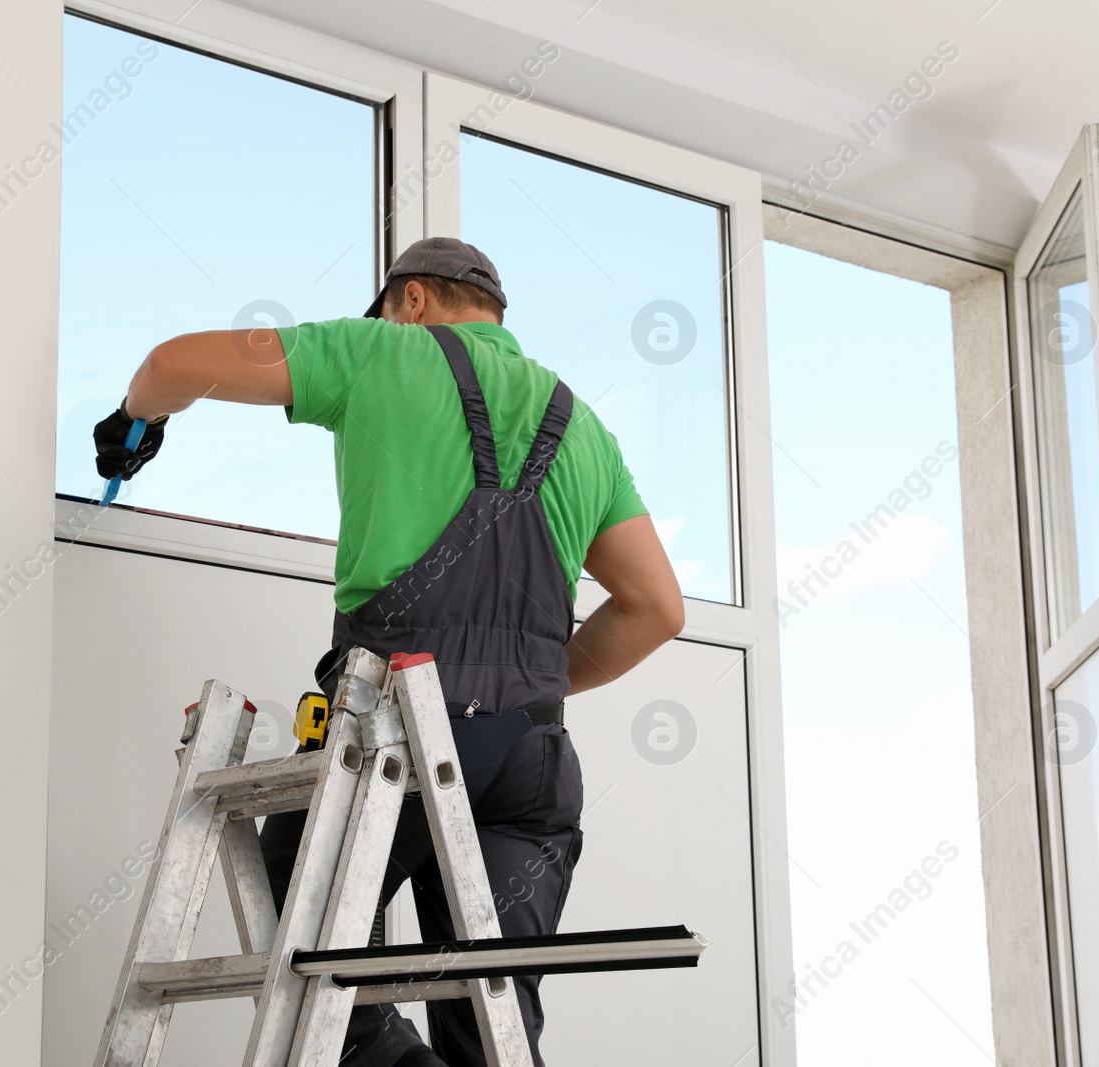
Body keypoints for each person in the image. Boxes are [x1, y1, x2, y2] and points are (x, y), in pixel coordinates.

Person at [95, 237, 684, 1067]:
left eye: (388, 310)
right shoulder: (584, 427)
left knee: (301, 953)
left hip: (397, 735)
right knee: (496, 1031)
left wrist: (133, 421)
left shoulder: (383, 351)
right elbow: (657, 607)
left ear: (411, 299)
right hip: (530, 760)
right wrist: (529, 684)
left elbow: (172, 363)